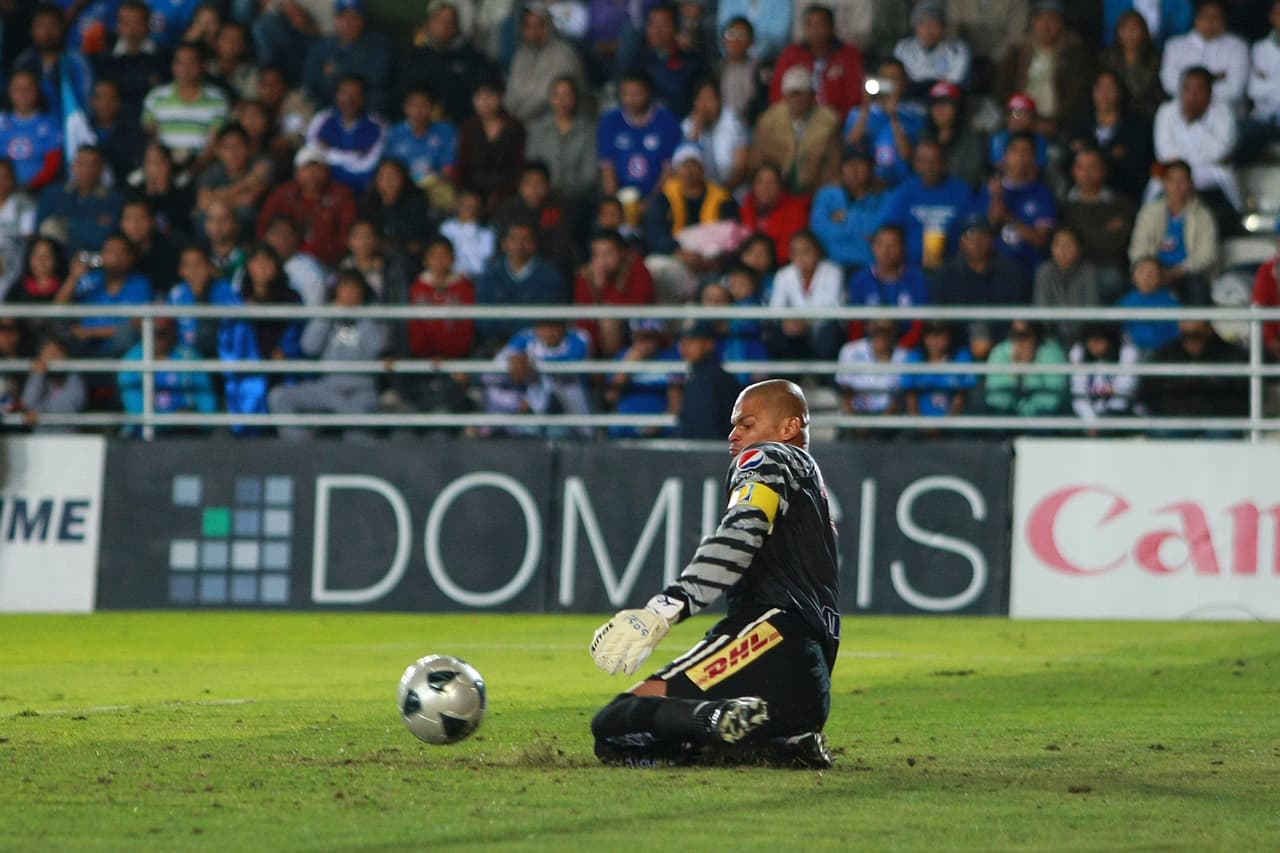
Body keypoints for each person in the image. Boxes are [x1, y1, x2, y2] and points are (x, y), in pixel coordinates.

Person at [589, 378, 838, 769]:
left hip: (771, 639)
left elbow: (743, 530)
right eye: (734, 425)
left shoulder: (767, 457)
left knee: (615, 724)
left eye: (747, 424)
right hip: (809, 684)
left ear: (789, 427)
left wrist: (666, 608)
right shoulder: (809, 486)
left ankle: (718, 720)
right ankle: (775, 742)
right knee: (640, 745)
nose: (734, 435)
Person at [268, 268, 387, 440]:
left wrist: (362, 315)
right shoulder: (326, 314)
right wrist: (329, 315)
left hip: (361, 390)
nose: (349, 293)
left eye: (354, 288)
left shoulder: (373, 317)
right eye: (344, 287)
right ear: (336, 291)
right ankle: (301, 449)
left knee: (356, 434)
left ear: (363, 291)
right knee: (278, 397)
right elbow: (309, 347)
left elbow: (377, 350)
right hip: (327, 388)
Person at [1151, 65, 1241, 224]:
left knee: (1219, 215)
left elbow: (1221, 150)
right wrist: (1191, 161)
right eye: (1188, 89)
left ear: (1210, 92)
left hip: (1211, 180)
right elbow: (1165, 153)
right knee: (1156, 203)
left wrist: (1194, 123)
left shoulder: (1223, 112)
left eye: (1199, 90)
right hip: (1174, 176)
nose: (1193, 96)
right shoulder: (1166, 111)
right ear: (1181, 91)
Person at [932, 214, 1030, 359]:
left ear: (991, 240)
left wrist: (993, 340)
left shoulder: (1012, 272)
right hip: (957, 346)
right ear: (962, 241)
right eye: (971, 237)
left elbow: (1020, 318)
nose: (977, 243)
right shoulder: (947, 274)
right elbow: (939, 319)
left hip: (1003, 344)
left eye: (982, 236)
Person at [1128, 160, 1218, 305]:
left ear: (1190, 184)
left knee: (1197, 287)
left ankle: (1196, 321)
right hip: (1154, 270)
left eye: (1181, 180)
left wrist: (1177, 272)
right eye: (1171, 180)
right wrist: (1149, 269)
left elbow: (1206, 255)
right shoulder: (1149, 211)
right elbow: (1138, 247)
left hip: (1187, 273)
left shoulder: (1203, 215)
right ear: (1164, 183)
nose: (1176, 186)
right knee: (1134, 282)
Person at [1141, 319, 1248, 436]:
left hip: (1218, 418)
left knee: (1222, 433)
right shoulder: (1166, 354)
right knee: (1161, 430)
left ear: (1209, 330)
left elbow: (1242, 396)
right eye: (1185, 336)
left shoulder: (1231, 355)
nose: (1190, 341)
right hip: (1176, 417)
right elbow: (1149, 392)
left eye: (1196, 335)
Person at [257, 144, 357, 266]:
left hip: (329, 262)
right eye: (306, 168)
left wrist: (316, 252)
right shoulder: (282, 194)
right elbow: (263, 228)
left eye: (317, 168)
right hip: (283, 259)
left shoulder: (341, 195)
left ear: (327, 171)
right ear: (296, 172)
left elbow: (347, 234)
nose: (311, 173)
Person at [880, 140, 972, 272]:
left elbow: (974, 231)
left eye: (934, 161)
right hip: (910, 270)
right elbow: (888, 230)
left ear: (944, 163)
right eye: (923, 161)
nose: (929, 167)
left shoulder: (963, 192)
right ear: (916, 164)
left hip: (954, 268)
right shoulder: (904, 192)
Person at [749, 65, 841, 196]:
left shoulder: (829, 120)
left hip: (816, 190)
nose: (797, 99)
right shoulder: (768, 120)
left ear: (812, 96)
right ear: (785, 95)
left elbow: (833, 165)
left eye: (802, 94)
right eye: (793, 94)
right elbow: (758, 161)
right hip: (777, 193)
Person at [118, 316, 218, 436]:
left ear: (173, 331)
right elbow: (136, 411)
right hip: (145, 435)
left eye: (164, 332)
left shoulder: (190, 357)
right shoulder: (132, 361)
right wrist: (175, 419)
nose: (159, 338)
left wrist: (196, 420)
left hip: (187, 431)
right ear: (144, 333)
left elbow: (207, 404)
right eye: (154, 333)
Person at [596, 69, 681, 200]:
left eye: (636, 94)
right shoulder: (610, 121)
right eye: (626, 94)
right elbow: (607, 168)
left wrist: (650, 202)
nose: (631, 99)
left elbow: (668, 170)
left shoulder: (666, 121)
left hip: (658, 197)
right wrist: (615, 202)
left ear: (648, 92)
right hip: (621, 196)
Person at [842, 58, 926, 188]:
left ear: (904, 82)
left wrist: (894, 116)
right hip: (870, 186)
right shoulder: (858, 113)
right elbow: (850, 146)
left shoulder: (915, 114)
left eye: (894, 79)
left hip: (905, 183)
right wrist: (866, 107)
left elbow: (908, 155)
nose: (889, 83)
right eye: (884, 78)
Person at [769, 4, 865, 116]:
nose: (815, 30)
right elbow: (778, 91)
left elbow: (854, 93)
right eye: (810, 25)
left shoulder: (849, 54)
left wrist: (837, 118)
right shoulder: (791, 54)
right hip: (796, 118)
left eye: (821, 25)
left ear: (832, 27)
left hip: (839, 118)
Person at [765, 229, 846, 361]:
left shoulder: (833, 272)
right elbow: (775, 307)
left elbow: (832, 306)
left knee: (828, 332)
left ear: (817, 251)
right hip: (793, 329)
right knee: (775, 333)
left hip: (822, 328)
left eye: (806, 251)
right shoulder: (783, 274)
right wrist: (787, 321)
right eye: (795, 252)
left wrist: (807, 323)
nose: (801, 256)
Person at [301, 0, 392, 115]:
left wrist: (338, 70)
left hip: (363, 109)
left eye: (354, 18)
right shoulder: (321, 47)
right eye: (343, 18)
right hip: (325, 107)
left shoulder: (377, 45)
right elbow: (310, 82)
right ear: (335, 20)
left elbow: (376, 78)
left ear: (363, 20)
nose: (348, 23)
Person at [303, 74, 387, 195]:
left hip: (359, 188)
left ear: (364, 98)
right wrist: (353, 156)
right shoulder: (323, 118)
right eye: (344, 93)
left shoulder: (378, 125)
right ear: (336, 95)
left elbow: (367, 165)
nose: (349, 99)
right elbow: (311, 152)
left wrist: (329, 152)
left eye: (355, 94)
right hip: (324, 187)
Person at [808, 144, 887, 272]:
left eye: (860, 163)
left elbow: (879, 232)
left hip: (868, 266)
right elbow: (819, 231)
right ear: (842, 168)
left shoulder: (884, 198)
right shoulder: (826, 195)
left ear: (870, 169)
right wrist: (862, 230)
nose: (854, 169)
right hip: (832, 266)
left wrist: (848, 217)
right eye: (849, 164)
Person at [1159, 0, 1249, 111]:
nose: (1210, 22)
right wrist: (1214, 79)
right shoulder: (1175, 46)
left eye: (1215, 18)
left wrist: (1193, 91)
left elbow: (1235, 88)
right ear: (1196, 19)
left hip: (1225, 111)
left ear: (1224, 21)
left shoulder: (1238, 46)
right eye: (1205, 17)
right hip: (1183, 111)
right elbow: (1169, 83)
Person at [504, 3, 586, 125]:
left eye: (538, 26)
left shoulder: (563, 54)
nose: (533, 32)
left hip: (553, 122)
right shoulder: (520, 55)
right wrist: (509, 116)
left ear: (548, 26)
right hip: (519, 121)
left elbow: (547, 97)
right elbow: (511, 93)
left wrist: (517, 118)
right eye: (528, 26)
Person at [456, 78, 526, 215]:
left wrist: (505, 194)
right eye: (479, 97)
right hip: (473, 191)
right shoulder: (468, 127)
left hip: (506, 191)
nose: (485, 102)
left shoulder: (515, 127)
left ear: (500, 97)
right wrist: (462, 194)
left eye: (490, 96)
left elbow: (518, 166)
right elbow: (462, 164)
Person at [526, 76, 598, 206]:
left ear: (575, 98)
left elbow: (589, 175)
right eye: (557, 95)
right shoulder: (537, 129)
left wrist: (562, 193)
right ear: (550, 98)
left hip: (576, 199)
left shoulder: (588, 130)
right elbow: (532, 166)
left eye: (567, 95)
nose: (562, 101)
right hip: (541, 197)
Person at [983, 319, 1068, 420]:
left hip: (1044, 423)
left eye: (1025, 335)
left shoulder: (1052, 353)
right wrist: (1014, 375)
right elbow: (995, 400)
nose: (1019, 340)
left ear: (1036, 333)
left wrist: (1030, 371)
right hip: (1007, 422)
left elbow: (1053, 401)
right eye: (1014, 334)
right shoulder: (1000, 352)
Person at [1032, 226, 1103, 346]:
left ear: (1079, 248)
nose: (1062, 251)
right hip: (1051, 338)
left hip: (1083, 339)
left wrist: (1080, 341)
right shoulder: (1044, 272)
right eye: (1057, 245)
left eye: (1068, 245)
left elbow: (1092, 310)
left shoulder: (1088, 271)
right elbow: (1041, 313)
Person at [1069, 321, 1141, 434]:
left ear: (1110, 339)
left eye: (1098, 340)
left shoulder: (1128, 352)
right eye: (1089, 340)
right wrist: (1091, 421)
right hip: (1090, 414)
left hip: (1121, 412)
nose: (1093, 345)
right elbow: (1078, 393)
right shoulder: (1079, 353)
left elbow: (1124, 393)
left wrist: (1100, 423)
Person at [674, 319, 742, 439]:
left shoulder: (713, 380)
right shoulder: (696, 376)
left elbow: (707, 431)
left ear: (709, 343)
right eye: (682, 340)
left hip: (711, 448)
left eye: (692, 339)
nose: (685, 345)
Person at [894, 1, 971, 96]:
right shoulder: (904, 47)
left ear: (943, 27)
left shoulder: (957, 49)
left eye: (934, 24)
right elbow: (896, 79)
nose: (928, 30)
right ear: (915, 27)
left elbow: (954, 82)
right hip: (908, 97)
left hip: (943, 99)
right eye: (922, 24)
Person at [1116, 256, 1181, 356]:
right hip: (1132, 351)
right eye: (1142, 271)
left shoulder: (1170, 302)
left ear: (1161, 276)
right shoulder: (1125, 301)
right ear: (1133, 276)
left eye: (1152, 272)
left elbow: (1176, 333)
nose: (1146, 276)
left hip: (1163, 352)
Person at [19, 335, 86, 432]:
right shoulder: (38, 377)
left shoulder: (74, 379)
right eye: (48, 353)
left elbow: (69, 408)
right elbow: (28, 403)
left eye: (57, 352)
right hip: (40, 436)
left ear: (66, 355)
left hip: (67, 436)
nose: (52, 357)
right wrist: (37, 376)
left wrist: (40, 413)